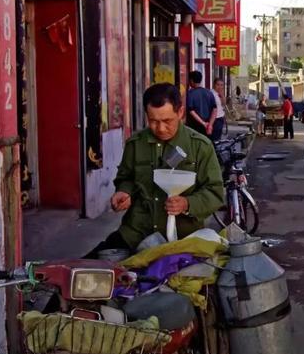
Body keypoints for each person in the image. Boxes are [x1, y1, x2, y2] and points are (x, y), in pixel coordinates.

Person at [87, 83, 225, 255]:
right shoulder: (136, 144)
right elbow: (126, 178)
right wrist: (124, 192)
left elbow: (215, 193)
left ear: (180, 113)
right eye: (153, 121)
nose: (160, 128)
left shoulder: (200, 147)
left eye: (167, 121)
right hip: (136, 233)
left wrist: (187, 203)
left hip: (183, 240)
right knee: (87, 269)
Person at [186, 70, 216, 139]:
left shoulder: (190, 94)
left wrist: (203, 123)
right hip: (207, 125)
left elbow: (191, 111)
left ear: (191, 81)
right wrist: (210, 124)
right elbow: (214, 109)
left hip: (194, 125)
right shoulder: (209, 92)